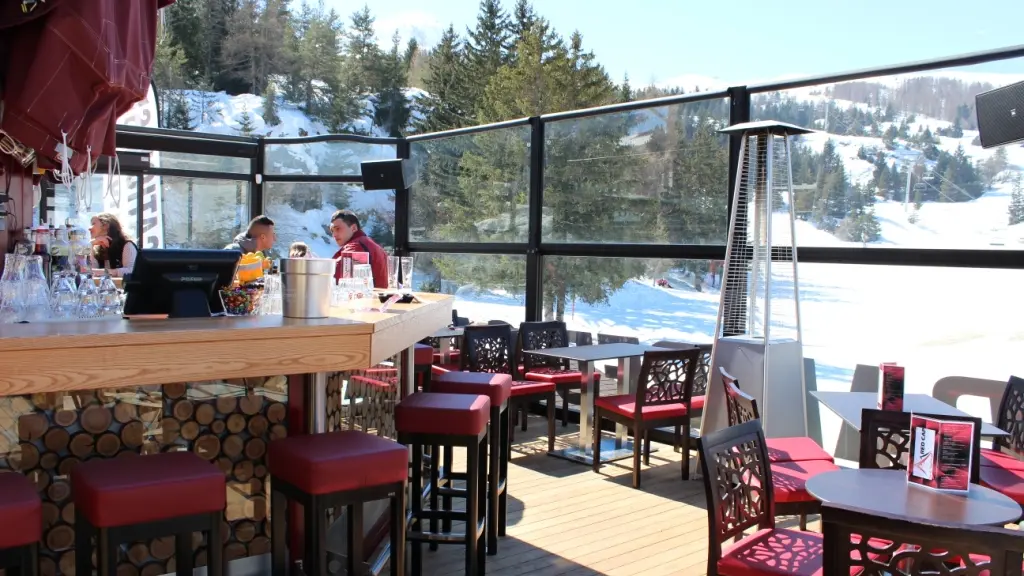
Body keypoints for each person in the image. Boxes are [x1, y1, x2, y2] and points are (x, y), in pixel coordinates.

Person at [329, 209, 388, 288]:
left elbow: (332, 277)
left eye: (338, 229)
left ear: (353, 228)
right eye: (332, 231)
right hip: (376, 298)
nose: (334, 235)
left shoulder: (356, 246)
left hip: (366, 299)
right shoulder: (369, 243)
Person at [89, 212, 138, 278]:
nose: (89, 228)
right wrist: (91, 244)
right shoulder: (96, 247)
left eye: (93, 224)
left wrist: (106, 272)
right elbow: (88, 270)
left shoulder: (126, 245)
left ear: (106, 225)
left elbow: (131, 270)